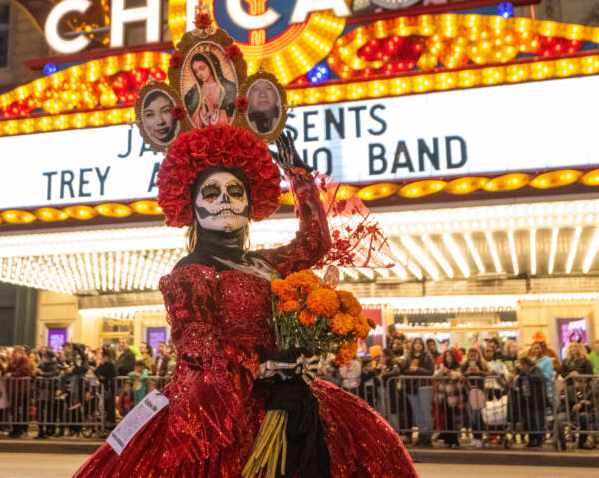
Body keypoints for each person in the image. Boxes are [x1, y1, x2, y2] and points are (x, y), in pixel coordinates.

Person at [73, 121, 416, 477]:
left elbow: (315, 243)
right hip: (223, 409)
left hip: (290, 397)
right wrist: (263, 363)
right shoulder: (193, 270)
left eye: (235, 191)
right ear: (192, 206)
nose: (225, 199)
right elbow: (196, 344)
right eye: (211, 192)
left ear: (249, 204)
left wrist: (297, 174)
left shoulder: (265, 262)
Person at [183, 52, 236, 127]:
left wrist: (214, 113)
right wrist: (203, 114)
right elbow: (189, 121)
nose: (199, 74)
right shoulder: (194, 92)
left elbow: (233, 117)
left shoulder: (229, 88)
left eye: (202, 68)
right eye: (196, 71)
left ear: (212, 66)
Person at [401, 337, 435, 446]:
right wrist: (410, 370)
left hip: (424, 386)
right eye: (416, 343)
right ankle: (421, 435)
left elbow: (431, 371)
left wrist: (418, 369)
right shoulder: (408, 356)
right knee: (417, 413)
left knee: (426, 412)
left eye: (420, 343)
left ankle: (428, 435)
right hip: (412, 387)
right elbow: (403, 370)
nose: (418, 345)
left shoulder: (427, 356)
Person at [432, 349, 463, 448]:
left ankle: (454, 440)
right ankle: (448, 439)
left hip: (453, 396)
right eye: (447, 356)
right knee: (446, 418)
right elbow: (434, 376)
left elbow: (457, 376)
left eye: (450, 356)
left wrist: (449, 371)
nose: (448, 358)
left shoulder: (457, 367)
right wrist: (441, 371)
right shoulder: (441, 366)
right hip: (443, 396)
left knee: (453, 418)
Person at [515, 356, 547, 449]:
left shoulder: (536, 370)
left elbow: (539, 378)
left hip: (537, 401)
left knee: (538, 422)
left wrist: (527, 375)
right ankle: (531, 440)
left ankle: (539, 441)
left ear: (528, 364)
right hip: (527, 401)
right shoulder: (522, 373)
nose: (522, 367)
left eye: (523, 365)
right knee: (529, 423)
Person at [461, 347, 490, 448]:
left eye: (475, 355)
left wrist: (479, 372)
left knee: (478, 415)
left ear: (478, 356)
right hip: (468, 393)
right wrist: (467, 373)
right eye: (471, 355)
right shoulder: (464, 365)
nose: (473, 357)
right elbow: (461, 375)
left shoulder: (482, 365)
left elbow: (488, 374)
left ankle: (479, 437)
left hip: (479, 393)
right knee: (472, 416)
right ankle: (474, 436)